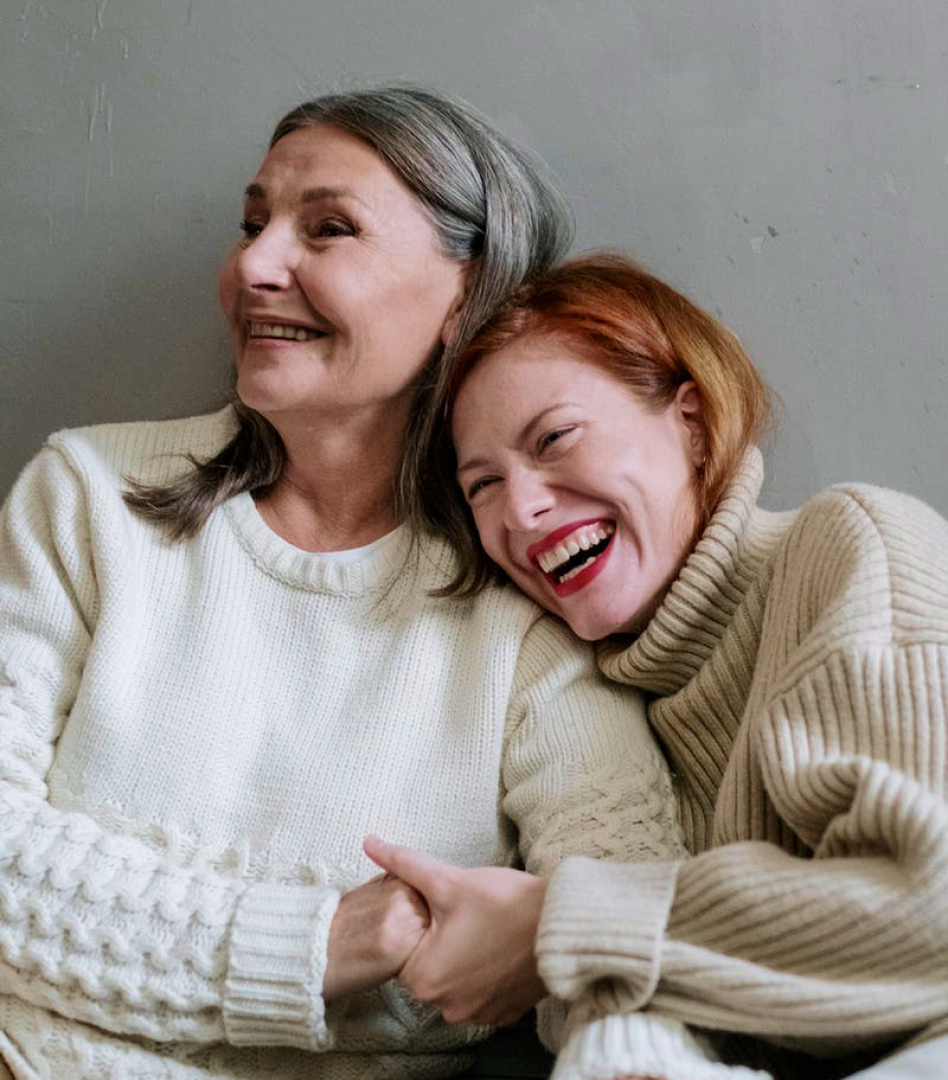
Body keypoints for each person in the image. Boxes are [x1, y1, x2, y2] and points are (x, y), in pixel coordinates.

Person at [0, 97, 690, 1080]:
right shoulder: (88, 498)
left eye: (328, 228)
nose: (252, 267)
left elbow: (623, 930)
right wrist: (315, 948)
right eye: (253, 225)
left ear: (466, 297)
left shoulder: (529, 598)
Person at [366, 253, 948, 1080]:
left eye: (555, 438)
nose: (522, 509)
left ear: (694, 423)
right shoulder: (591, 689)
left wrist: (556, 928)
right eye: (483, 484)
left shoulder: (851, 551)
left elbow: (932, 915)